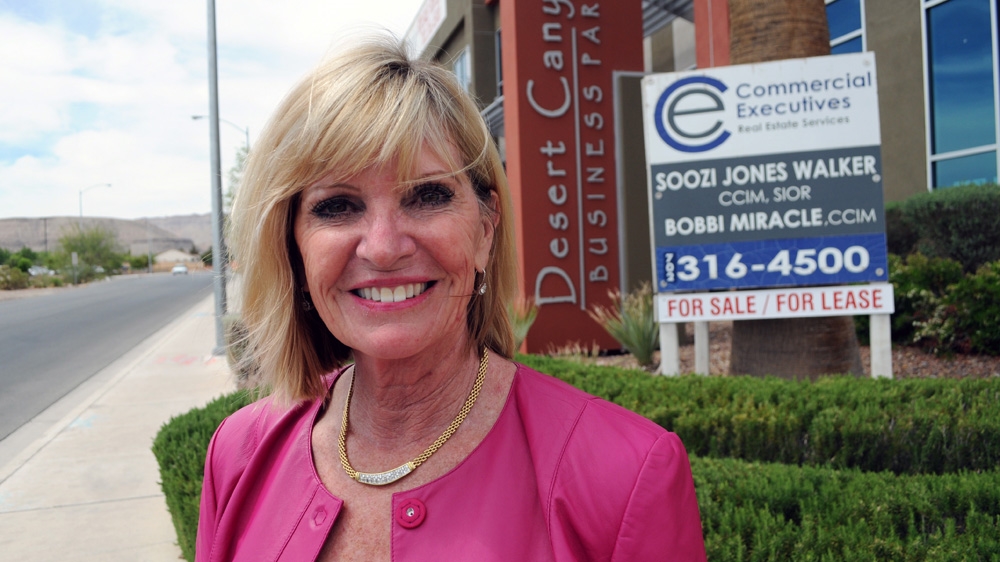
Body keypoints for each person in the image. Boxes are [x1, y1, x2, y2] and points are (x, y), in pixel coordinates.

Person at [197, 34, 707, 562]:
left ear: (486, 229)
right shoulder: (237, 454)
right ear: (293, 249)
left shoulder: (624, 475)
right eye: (338, 206)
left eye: (428, 195)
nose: (384, 247)